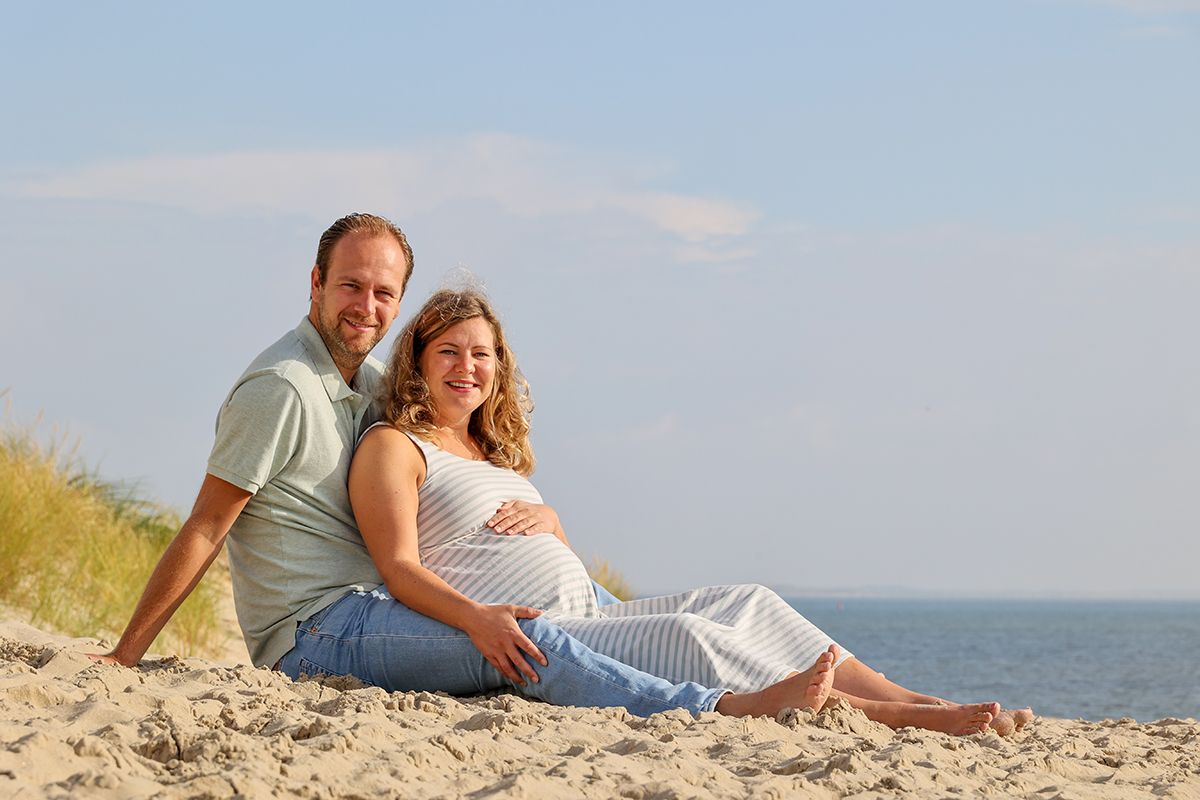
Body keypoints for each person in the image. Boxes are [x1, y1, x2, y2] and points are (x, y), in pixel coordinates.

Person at [90, 212, 841, 722]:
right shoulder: (280, 388)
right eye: (350, 285)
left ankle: (871, 699)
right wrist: (125, 658)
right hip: (316, 632)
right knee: (525, 648)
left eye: (385, 293)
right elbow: (207, 525)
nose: (367, 305)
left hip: (377, 609)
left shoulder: (371, 381)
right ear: (314, 283)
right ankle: (721, 710)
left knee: (675, 612)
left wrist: (541, 517)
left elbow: (450, 437)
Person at [349, 287, 1034, 736]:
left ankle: (915, 698)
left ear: (499, 366)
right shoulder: (395, 446)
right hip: (551, 637)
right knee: (685, 634)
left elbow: (518, 541)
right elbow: (399, 567)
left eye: (481, 354)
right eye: (449, 352)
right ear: (418, 361)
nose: (466, 367)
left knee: (749, 599)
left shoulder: (492, 452)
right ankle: (888, 717)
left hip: (592, 609)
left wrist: (553, 522)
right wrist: (475, 618)